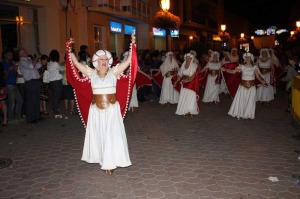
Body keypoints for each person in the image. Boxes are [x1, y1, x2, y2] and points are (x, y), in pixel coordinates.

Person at [69, 34, 135, 174]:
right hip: (96, 110)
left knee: (111, 134)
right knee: (100, 134)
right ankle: (101, 157)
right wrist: (69, 48)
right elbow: (76, 63)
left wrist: (133, 45)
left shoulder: (114, 72)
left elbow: (129, 61)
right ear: (96, 61)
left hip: (111, 109)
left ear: (109, 61)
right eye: (100, 59)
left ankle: (110, 162)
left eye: (105, 59)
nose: (103, 61)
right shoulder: (91, 73)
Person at [224, 52, 266, 119]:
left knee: (250, 101)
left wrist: (262, 81)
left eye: (249, 57)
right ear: (244, 58)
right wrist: (225, 69)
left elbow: (257, 77)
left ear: (251, 58)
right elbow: (233, 71)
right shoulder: (241, 66)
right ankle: (241, 113)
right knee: (242, 100)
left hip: (252, 87)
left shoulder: (254, 67)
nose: (247, 58)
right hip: (243, 87)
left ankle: (249, 115)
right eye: (246, 57)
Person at [18, 48, 42, 123]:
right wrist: (36, 58)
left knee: (37, 100)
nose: (25, 52)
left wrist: (38, 59)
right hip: (30, 82)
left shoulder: (29, 59)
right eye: (23, 51)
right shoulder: (22, 62)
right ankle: (31, 118)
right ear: (20, 54)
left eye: (25, 50)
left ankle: (37, 116)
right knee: (31, 101)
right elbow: (31, 66)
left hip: (36, 81)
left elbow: (39, 65)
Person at [2, 50, 23, 121]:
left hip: (14, 84)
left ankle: (17, 117)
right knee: (12, 103)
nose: (11, 57)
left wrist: (16, 70)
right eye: (9, 55)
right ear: (5, 55)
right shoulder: (3, 64)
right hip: (8, 85)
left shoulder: (12, 63)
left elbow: (15, 75)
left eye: (11, 55)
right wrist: (9, 69)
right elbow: (4, 77)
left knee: (20, 100)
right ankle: (10, 119)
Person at [48, 50, 63, 118]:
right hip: (57, 82)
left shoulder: (49, 63)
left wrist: (59, 71)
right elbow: (62, 69)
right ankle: (56, 112)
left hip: (51, 82)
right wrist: (60, 70)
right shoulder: (56, 64)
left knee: (53, 97)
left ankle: (54, 109)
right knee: (57, 97)